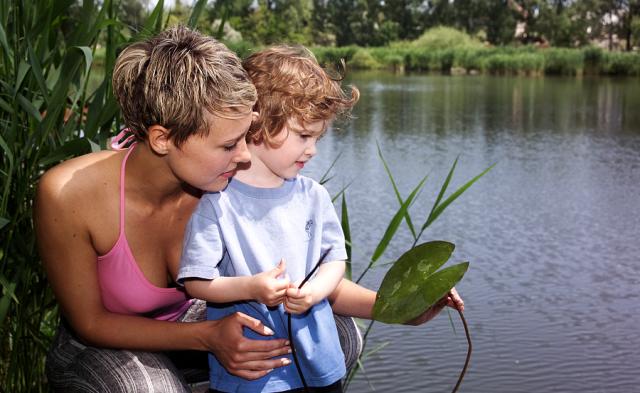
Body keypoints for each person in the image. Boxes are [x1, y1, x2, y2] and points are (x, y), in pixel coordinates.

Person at [34, 26, 463, 393]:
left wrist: (403, 309)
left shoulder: (230, 185)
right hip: (104, 342)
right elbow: (90, 322)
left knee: (336, 335)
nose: (245, 156)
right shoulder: (70, 195)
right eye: (228, 144)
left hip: (198, 322)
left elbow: (304, 280)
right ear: (163, 138)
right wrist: (207, 338)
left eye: (247, 136)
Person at [177, 45, 358, 393]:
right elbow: (195, 283)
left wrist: (314, 291)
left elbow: (335, 261)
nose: (313, 149)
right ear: (259, 124)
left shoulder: (313, 196)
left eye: (317, 137)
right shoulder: (217, 200)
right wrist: (251, 287)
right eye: (304, 135)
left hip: (318, 360)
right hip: (251, 368)